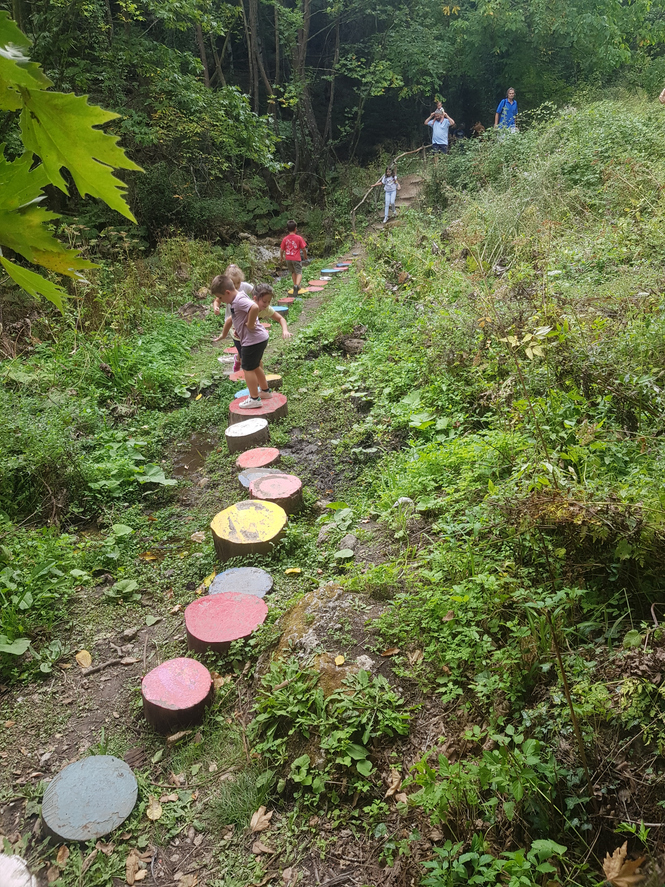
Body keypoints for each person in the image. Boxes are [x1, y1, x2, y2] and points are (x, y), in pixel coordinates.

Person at [210, 274, 271, 409]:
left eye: (220, 298)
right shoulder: (239, 297)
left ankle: (254, 398)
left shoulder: (238, 300)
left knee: (247, 368)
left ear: (227, 292)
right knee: (255, 365)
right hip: (259, 338)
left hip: (253, 341)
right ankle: (265, 391)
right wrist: (227, 333)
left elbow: (254, 308)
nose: (220, 300)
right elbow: (234, 318)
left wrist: (249, 325)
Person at [212, 263, 253, 372]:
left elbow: (255, 292)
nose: (236, 286)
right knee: (240, 342)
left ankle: (239, 359)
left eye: (238, 282)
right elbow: (217, 300)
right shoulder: (226, 291)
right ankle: (242, 362)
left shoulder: (244, 287)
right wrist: (216, 308)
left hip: (243, 318)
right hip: (231, 320)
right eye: (233, 283)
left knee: (244, 342)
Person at [280, 220, 308, 298]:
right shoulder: (298, 238)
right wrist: (305, 256)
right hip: (296, 258)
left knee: (293, 272)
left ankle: (295, 286)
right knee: (299, 272)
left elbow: (282, 250)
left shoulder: (285, 239)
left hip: (288, 258)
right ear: (295, 229)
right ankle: (297, 285)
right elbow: (304, 249)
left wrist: (281, 257)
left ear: (287, 229)